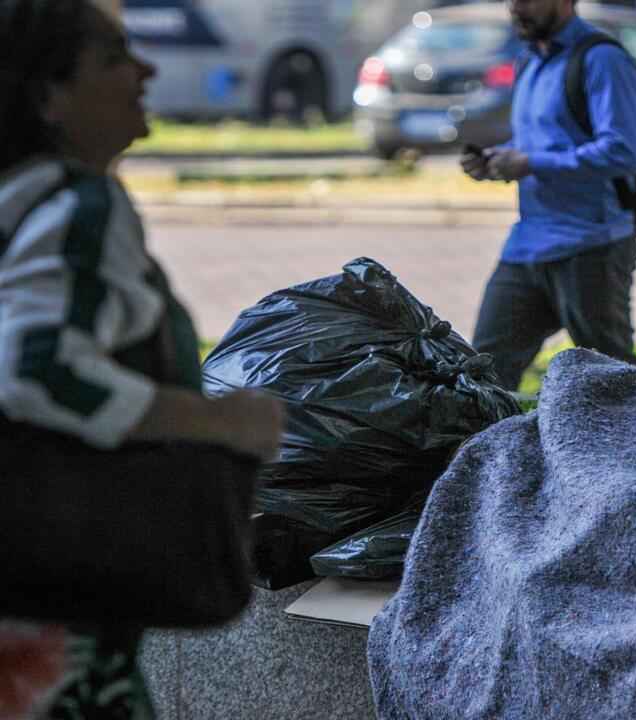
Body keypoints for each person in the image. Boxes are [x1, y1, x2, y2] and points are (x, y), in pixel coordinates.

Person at [0, 0, 284, 716]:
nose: (146, 69)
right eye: (115, 57)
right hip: (59, 638)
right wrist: (223, 424)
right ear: (48, 96)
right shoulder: (78, 206)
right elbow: (38, 372)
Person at [462, 0, 636, 391]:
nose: (515, 8)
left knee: (617, 382)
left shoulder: (603, 59)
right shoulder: (528, 62)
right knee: (483, 373)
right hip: (528, 244)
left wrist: (530, 163)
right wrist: (499, 160)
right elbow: (540, 142)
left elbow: (624, 151)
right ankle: (488, 452)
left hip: (592, 244)